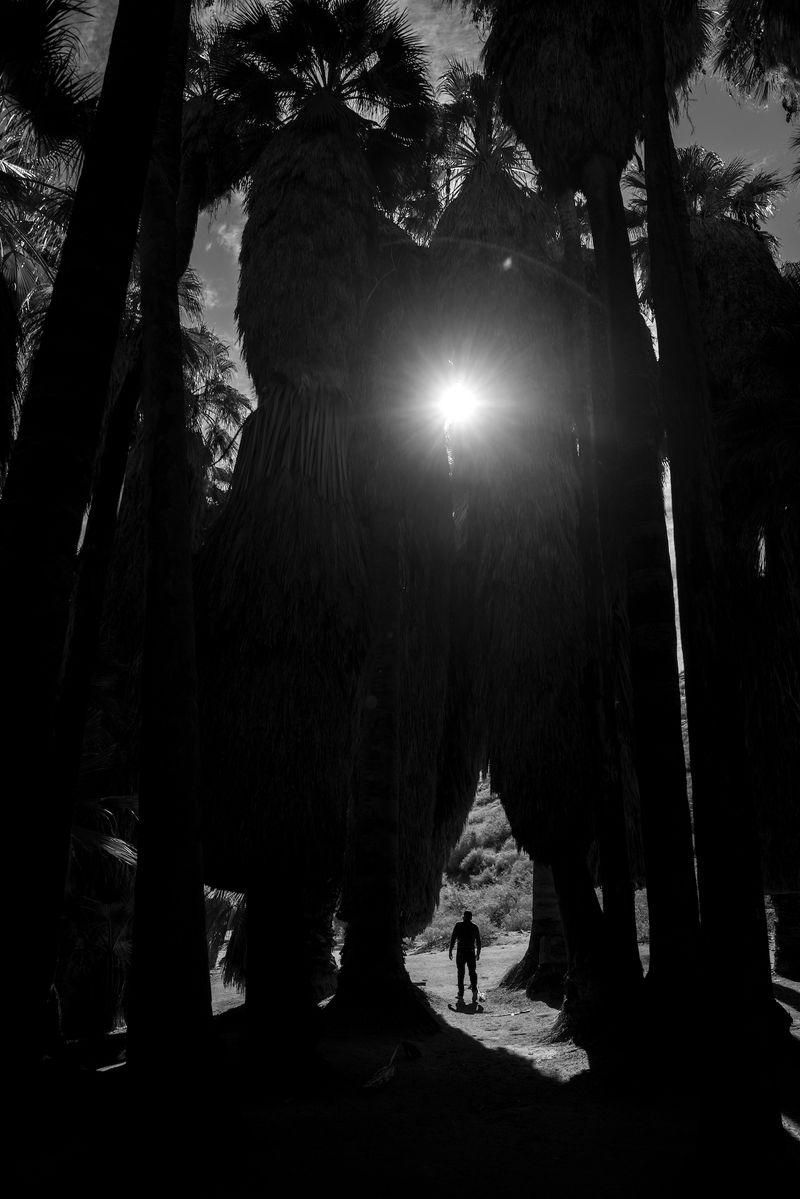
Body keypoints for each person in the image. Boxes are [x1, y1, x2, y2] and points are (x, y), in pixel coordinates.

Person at [449, 909, 481, 1003]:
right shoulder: (474, 926)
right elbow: (478, 941)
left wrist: (450, 951)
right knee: (472, 972)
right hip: (471, 952)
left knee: (461, 973)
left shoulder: (458, 925)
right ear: (471, 918)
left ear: (463, 917)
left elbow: (453, 938)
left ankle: (460, 994)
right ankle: (474, 990)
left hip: (461, 952)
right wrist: (478, 953)